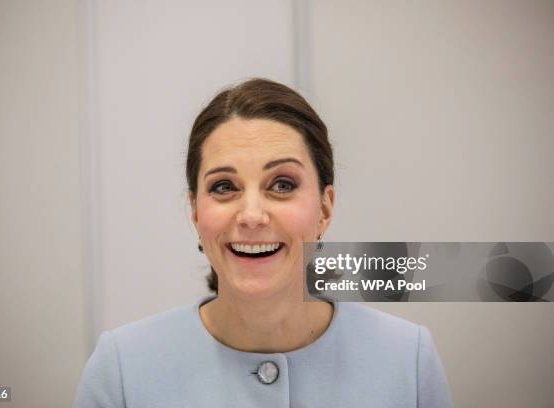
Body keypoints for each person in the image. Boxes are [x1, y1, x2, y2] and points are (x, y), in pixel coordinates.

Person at [73, 78, 454, 407]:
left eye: (282, 185)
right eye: (224, 187)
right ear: (195, 211)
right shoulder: (121, 369)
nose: (251, 215)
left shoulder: (408, 360)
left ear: (324, 208)